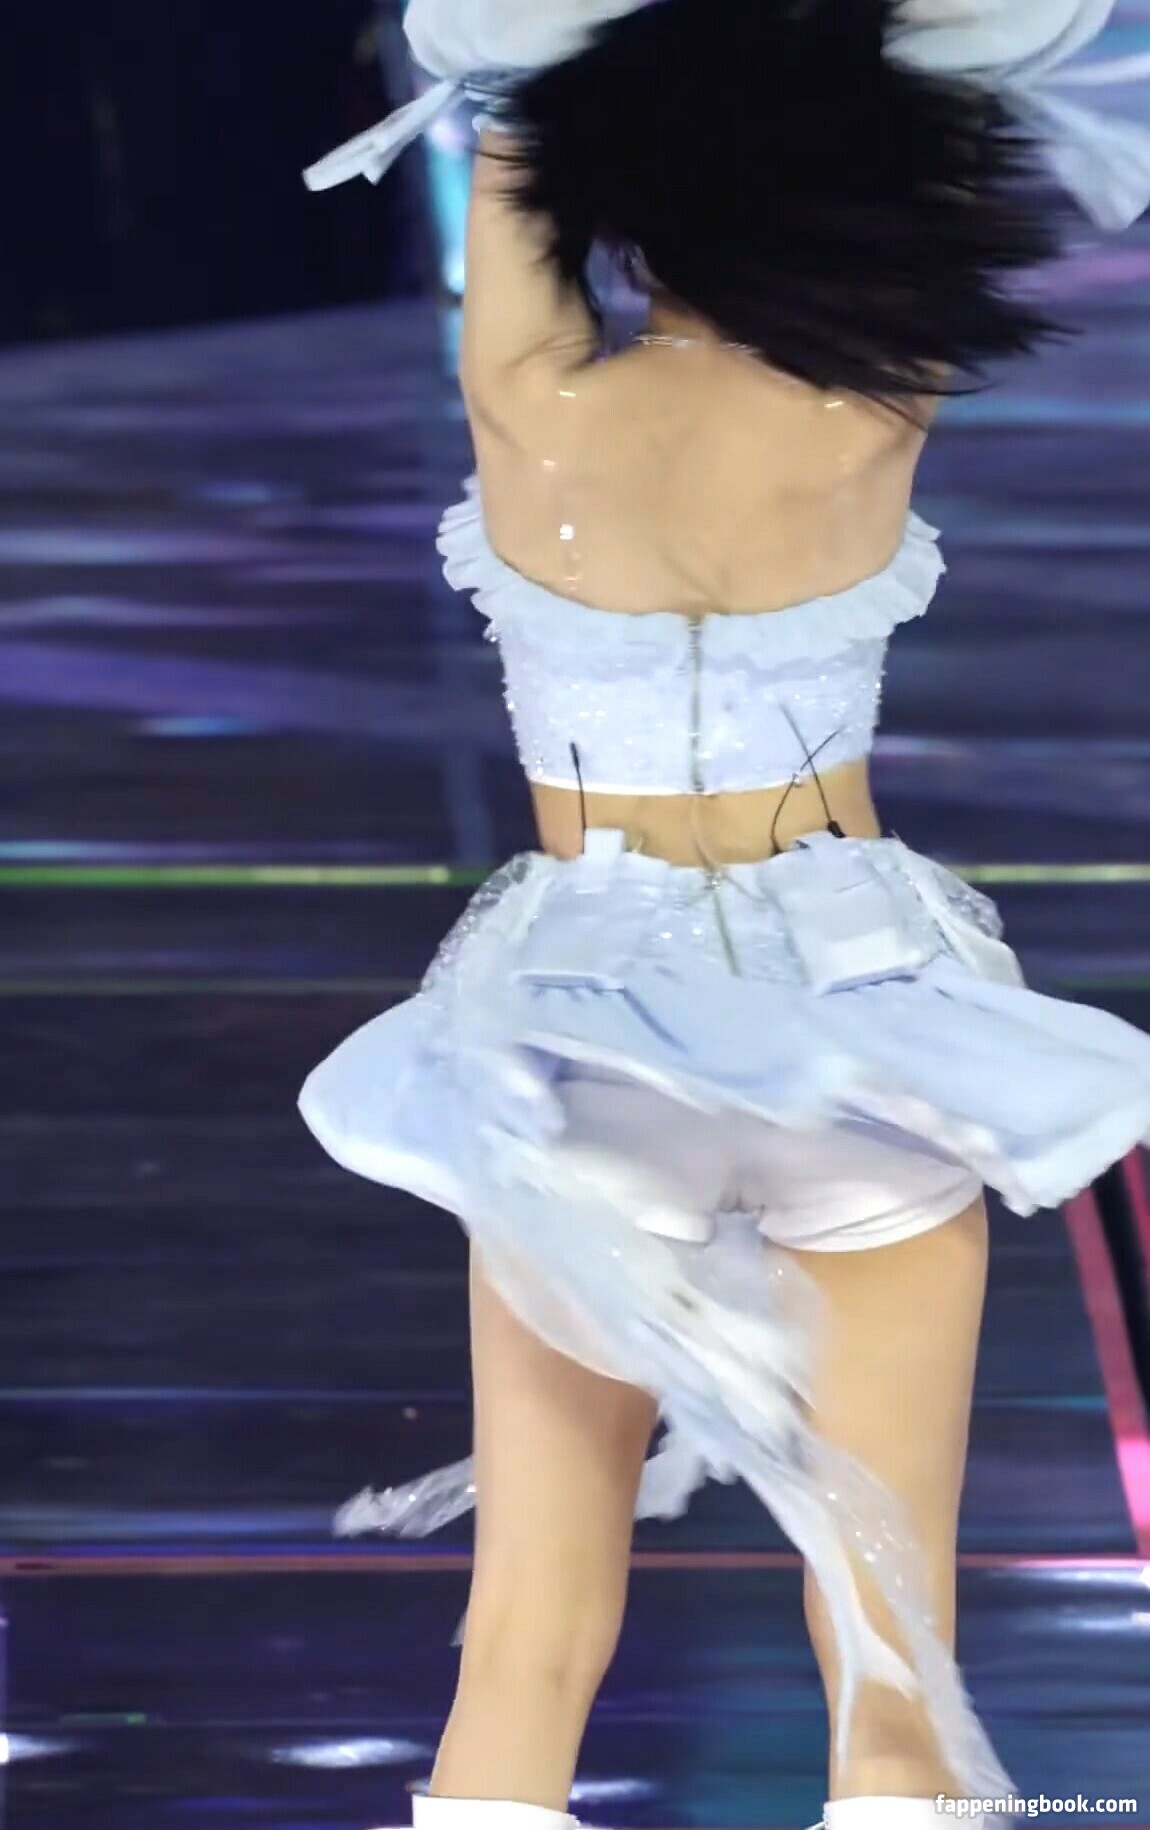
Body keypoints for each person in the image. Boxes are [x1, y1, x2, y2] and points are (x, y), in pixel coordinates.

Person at [299, 4, 1150, 1827]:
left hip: (581, 1041)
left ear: (628, 197)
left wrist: (543, 68)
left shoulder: (532, 408)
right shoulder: (869, 399)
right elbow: (937, 129)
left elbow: (511, 103)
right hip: (864, 1028)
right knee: (892, 1656)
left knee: (526, 1643)